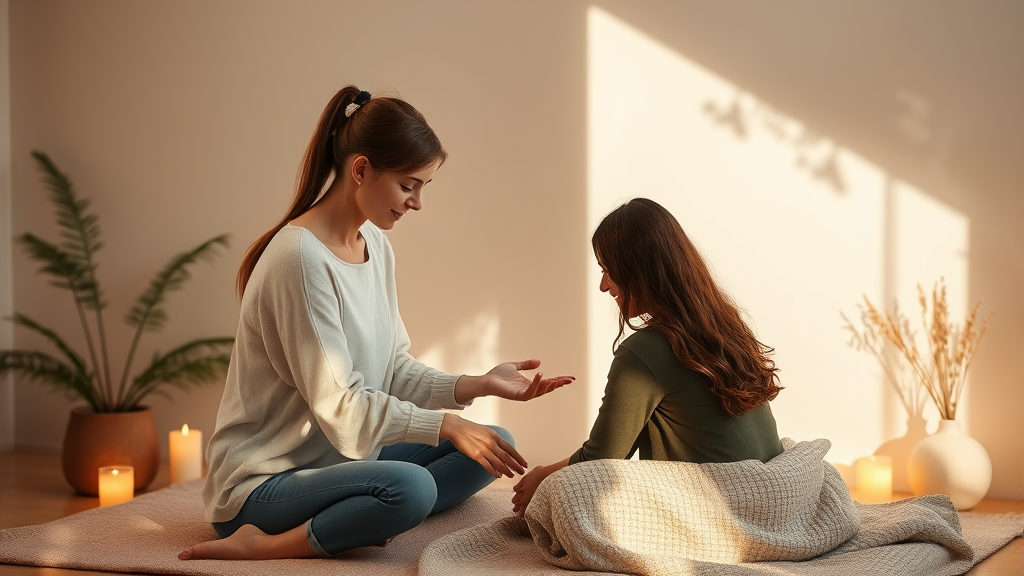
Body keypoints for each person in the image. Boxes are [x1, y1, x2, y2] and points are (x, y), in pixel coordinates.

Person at [179, 86, 573, 560]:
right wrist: (445, 425)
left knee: (494, 446)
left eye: (423, 188)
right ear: (361, 169)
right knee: (411, 488)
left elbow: (392, 369)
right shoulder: (300, 260)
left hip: (342, 460)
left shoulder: (374, 244)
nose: (417, 203)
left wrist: (477, 384)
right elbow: (342, 408)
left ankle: (358, 514)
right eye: (409, 185)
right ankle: (267, 545)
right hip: (262, 484)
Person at [512, 197, 783, 516]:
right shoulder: (725, 325)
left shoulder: (645, 349)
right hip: (771, 497)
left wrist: (544, 476)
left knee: (568, 503)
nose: (603, 286)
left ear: (639, 271)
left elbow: (602, 461)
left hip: (725, 511)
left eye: (609, 270)